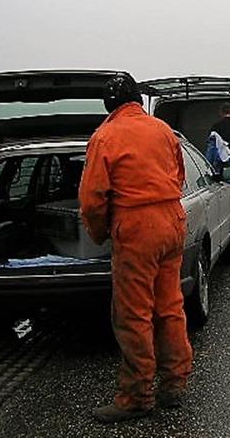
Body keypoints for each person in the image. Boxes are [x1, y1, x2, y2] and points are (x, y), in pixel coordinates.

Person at [79, 74, 192, 423]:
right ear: (138, 100)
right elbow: (179, 175)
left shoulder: (105, 136)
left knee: (133, 314)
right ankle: (174, 384)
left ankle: (136, 397)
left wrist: (101, 234)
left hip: (137, 227)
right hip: (172, 219)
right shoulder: (162, 130)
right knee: (170, 306)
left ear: (108, 105)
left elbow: (92, 199)